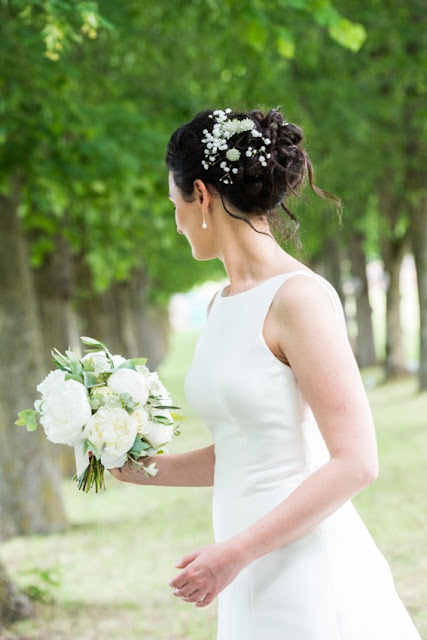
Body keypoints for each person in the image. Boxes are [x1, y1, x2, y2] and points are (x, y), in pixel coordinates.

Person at [108, 107, 422, 640]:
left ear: (201, 196)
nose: (176, 219)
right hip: (241, 561)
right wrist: (143, 469)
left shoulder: (298, 299)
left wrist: (235, 554)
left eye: (174, 204)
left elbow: (356, 462)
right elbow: (246, 448)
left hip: (302, 563)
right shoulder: (221, 304)